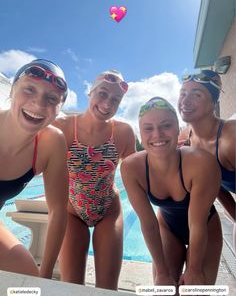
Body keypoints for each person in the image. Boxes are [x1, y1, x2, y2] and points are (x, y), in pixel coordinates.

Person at [121, 97, 222, 290]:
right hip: (167, 228)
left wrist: (194, 270)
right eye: (148, 128)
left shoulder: (201, 163)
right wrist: (161, 272)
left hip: (205, 227)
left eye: (165, 126)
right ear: (140, 135)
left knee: (196, 291)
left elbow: (196, 222)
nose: (157, 135)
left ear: (177, 128)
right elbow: (149, 224)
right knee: (163, 290)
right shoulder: (131, 167)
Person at [54, 69, 136, 290]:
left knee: (107, 289)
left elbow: (137, 178)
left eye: (115, 99)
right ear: (90, 92)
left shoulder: (124, 133)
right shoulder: (62, 128)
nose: (107, 104)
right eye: (102, 93)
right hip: (72, 212)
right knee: (70, 287)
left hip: (108, 210)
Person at [0, 59, 69, 278]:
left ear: (59, 109)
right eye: (29, 89)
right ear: (12, 91)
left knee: (28, 278)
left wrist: (45, 275)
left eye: (51, 98)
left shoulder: (51, 143)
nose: (39, 105)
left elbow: (58, 211)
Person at [178, 70, 235, 249]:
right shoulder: (186, 139)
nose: (185, 101)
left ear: (213, 102)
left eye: (197, 94)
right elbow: (214, 185)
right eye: (183, 94)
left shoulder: (231, 137)